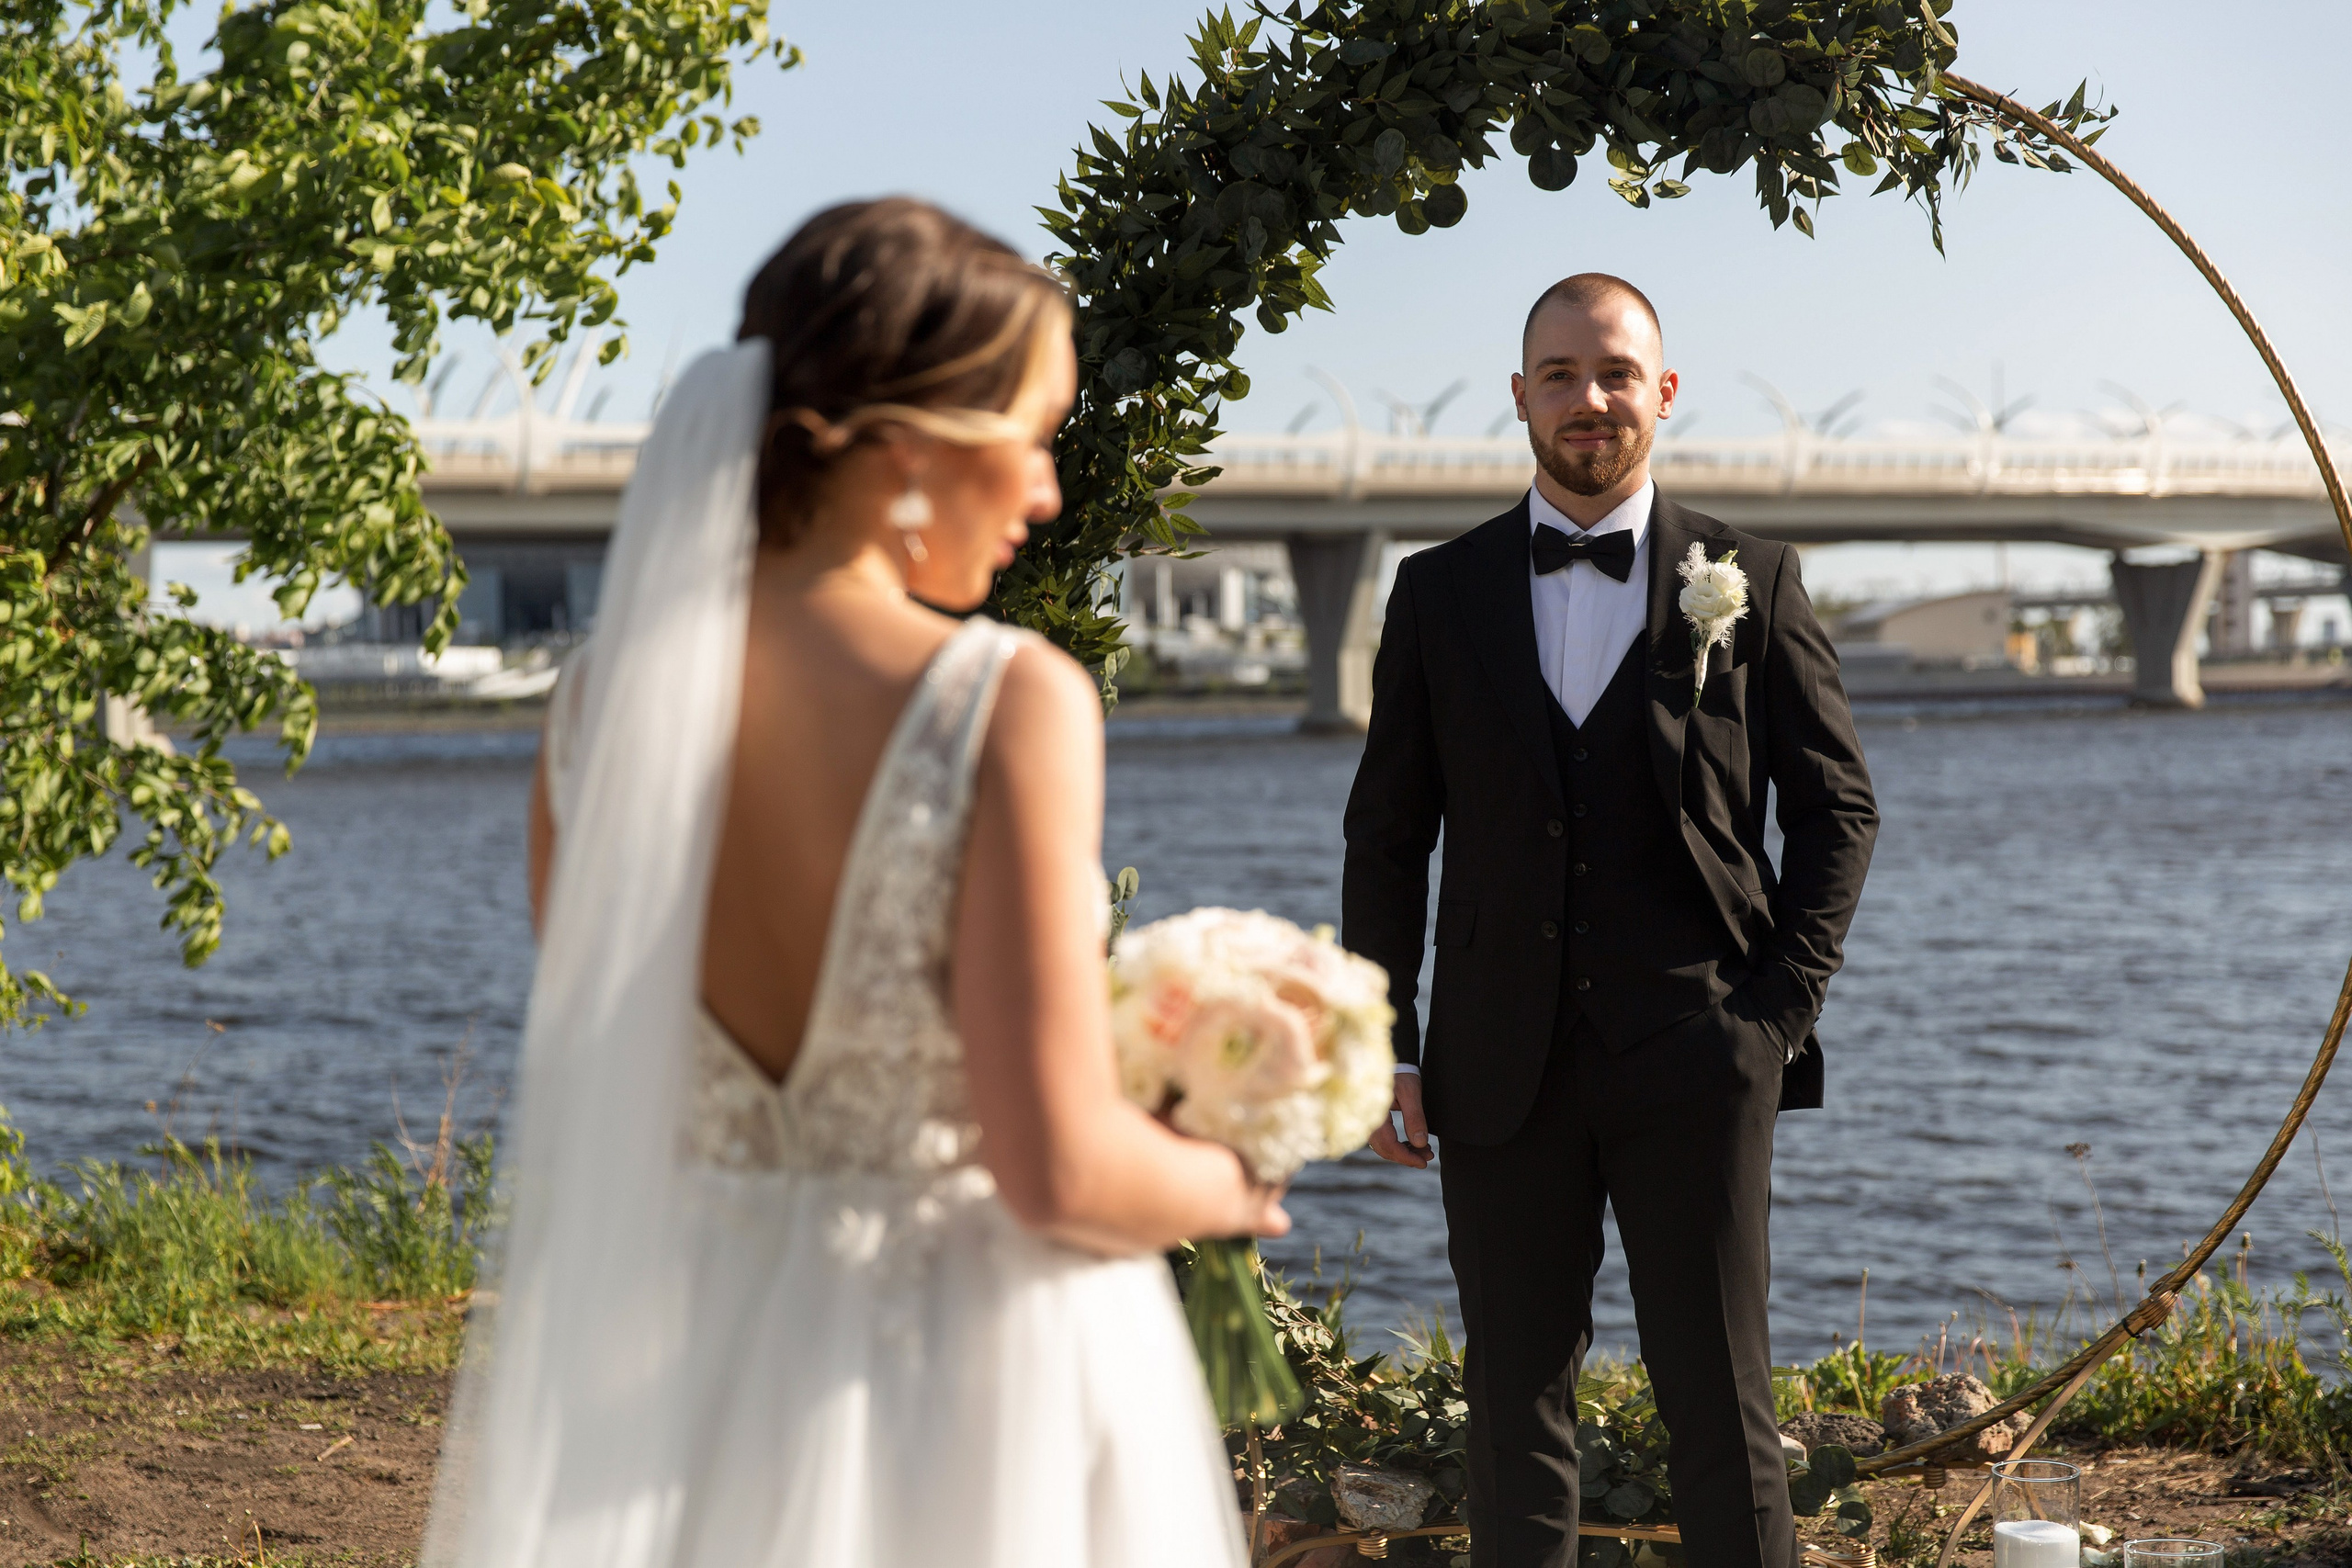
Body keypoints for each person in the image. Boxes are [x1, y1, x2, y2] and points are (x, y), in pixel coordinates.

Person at [424, 198, 1283, 1568]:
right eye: (1032, 440)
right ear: (899, 453)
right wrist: (1232, 1174)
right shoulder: (1005, 698)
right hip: (969, 1381)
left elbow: (618, 1078)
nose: (1049, 493)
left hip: (702, 1369)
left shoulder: (595, 712)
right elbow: (1057, 1168)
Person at [1340, 274, 1878, 1568]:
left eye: (1618, 373)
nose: (1593, 400)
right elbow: (1387, 835)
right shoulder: (1437, 591)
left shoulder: (1751, 579)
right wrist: (1382, 1046)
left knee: (1722, 1401)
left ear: (1664, 392)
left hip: (1698, 1054)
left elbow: (1838, 814)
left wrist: (1773, 1019)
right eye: (1565, 375)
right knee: (1513, 1403)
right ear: (1519, 395)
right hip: (1493, 1064)